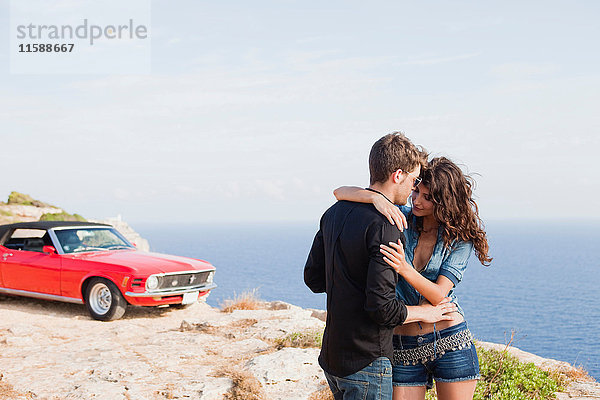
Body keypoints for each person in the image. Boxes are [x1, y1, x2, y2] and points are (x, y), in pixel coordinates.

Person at [305, 134, 458, 400]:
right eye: (414, 180)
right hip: (366, 361)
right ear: (398, 175)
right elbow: (382, 309)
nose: (413, 190)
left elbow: (314, 279)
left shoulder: (333, 213)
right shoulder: (387, 225)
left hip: (333, 357)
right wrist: (425, 313)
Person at [334, 156, 492, 400]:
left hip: (450, 339)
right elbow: (340, 192)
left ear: (445, 201)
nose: (417, 200)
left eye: (427, 197)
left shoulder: (460, 240)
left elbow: (439, 295)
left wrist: (404, 268)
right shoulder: (400, 218)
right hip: (402, 343)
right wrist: (375, 198)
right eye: (416, 190)